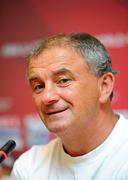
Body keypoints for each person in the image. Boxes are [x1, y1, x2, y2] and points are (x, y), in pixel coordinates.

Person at [10, 32, 128, 180]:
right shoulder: (29, 166)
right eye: (39, 86)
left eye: (63, 80)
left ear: (104, 86)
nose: (47, 97)